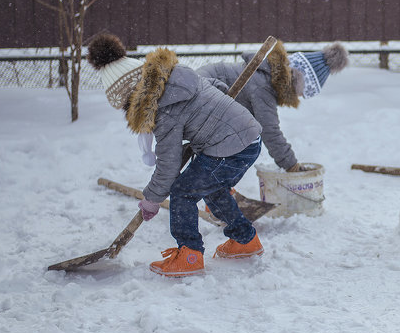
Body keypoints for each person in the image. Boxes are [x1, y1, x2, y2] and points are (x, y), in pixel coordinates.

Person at [86, 32, 264, 277]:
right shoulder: (176, 79)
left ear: (134, 97)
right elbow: (216, 86)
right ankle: (246, 241)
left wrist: (152, 199)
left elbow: (168, 165)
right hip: (247, 138)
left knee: (183, 191)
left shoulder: (164, 110)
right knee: (210, 188)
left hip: (230, 147)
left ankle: (190, 254)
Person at [196, 41, 348, 173]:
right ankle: (213, 188)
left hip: (207, 94)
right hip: (202, 95)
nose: (300, 97)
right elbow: (270, 131)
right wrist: (291, 165)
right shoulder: (263, 87)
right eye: (303, 92)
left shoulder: (267, 76)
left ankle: (217, 187)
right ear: (296, 81)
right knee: (247, 146)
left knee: (242, 140)